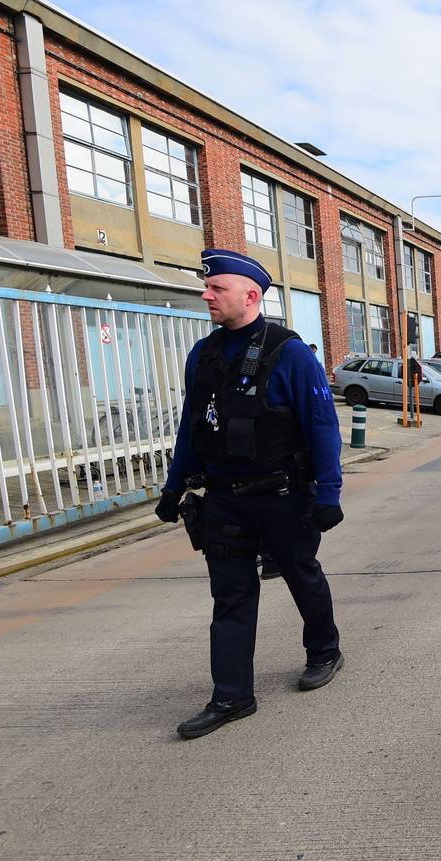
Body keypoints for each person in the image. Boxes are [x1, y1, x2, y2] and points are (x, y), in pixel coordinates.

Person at [156, 249, 345, 740]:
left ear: (251, 295)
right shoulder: (204, 354)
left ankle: (324, 650)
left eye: (215, 288)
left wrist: (328, 492)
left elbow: (322, 426)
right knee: (231, 596)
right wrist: (174, 486)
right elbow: (192, 427)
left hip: (283, 495)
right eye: (208, 287)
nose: (206, 295)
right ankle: (232, 696)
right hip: (223, 498)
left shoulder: (291, 353)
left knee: (302, 575)